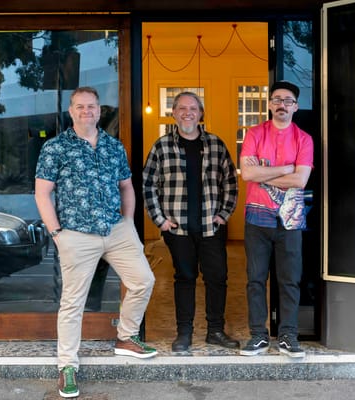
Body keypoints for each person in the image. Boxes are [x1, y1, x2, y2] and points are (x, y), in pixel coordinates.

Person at [35, 86, 157, 398]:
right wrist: (57, 234)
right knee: (73, 303)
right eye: (80, 106)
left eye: (92, 106)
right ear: (71, 111)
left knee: (143, 280)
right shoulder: (55, 148)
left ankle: (126, 337)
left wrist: (128, 223)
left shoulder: (114, 147)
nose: (86, 111)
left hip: (116, 230)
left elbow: (127, 186)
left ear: (100, 111)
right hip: (76, 234)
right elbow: (42, 193)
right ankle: (67, 367)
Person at [142, 91, 240, 352]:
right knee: (184, 278)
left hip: (212, 226)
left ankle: (215, 331)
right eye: (182, 108)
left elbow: (230, 181)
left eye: (193, 108)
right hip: (178, 228)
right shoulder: (161, 146)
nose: (188, 112)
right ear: (173, 113)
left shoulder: (216, 145)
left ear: (201, 114)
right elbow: (148, 184)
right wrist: (160, 220)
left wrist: (224, 214)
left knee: (217, 278)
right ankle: (183, 333)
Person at [238, 81, 314, 358]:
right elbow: (247, 175)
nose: (282, 104)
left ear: (295, 106)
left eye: (288, 100)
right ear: (270, 104)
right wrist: (285, 169)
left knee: (290, 280)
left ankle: (288, 336)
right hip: (257, 217)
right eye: (277, 99)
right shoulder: (255, 134)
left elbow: (301, 179)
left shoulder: (304, 139)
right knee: (255, 279)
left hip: (290, 219)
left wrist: (264, 171)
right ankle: (258, 336)